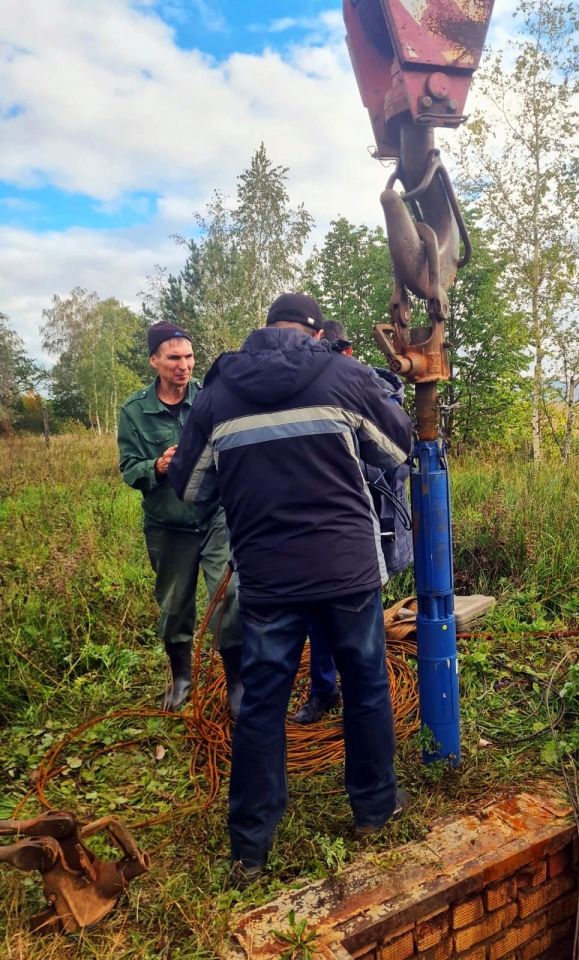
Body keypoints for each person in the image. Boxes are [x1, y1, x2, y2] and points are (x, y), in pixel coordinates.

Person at [167, 293, 413, 885]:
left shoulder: (219, 392)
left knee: (261, 705)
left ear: (265, 328)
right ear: (311, 329)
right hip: (346, 570)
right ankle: (375, 810)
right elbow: (399, 447)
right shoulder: (345, 374)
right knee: (366, 684)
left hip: (269, 577)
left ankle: (250, 849)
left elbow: (192, 490)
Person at [117, 321, 243, 719]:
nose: (183, 365)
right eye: (174, 358)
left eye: (189, 357)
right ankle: (181, 677)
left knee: (229, 597)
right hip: (168, 526)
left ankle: (237, 683)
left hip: (213, 520)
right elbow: (128, 468)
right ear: (155, 360)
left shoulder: (210, 400)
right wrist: (156, 465)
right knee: (174, 606)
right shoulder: (134, 412)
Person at [291, 319, 413, 724]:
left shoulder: (373, 387)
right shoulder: (306, 389)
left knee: (360, 621)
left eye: (342, 350)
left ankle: (362, 702)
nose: (338, 357)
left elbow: (395, 454)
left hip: (367, 521)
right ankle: (324, 690)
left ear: (347, 351)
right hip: (315, 528)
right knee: (317, 616)